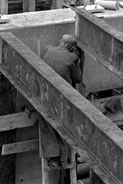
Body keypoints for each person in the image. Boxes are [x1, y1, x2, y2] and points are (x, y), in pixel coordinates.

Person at [40, 35, 83, 168]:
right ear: (71, 47)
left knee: (47, 125)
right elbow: (78, 78)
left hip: (45, 93)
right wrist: (78, 58)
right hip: (62, 97)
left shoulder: (48, 49)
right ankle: (64, 160)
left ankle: (52, 158)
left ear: (60, 42)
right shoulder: (72, 58)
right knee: (63, 126)